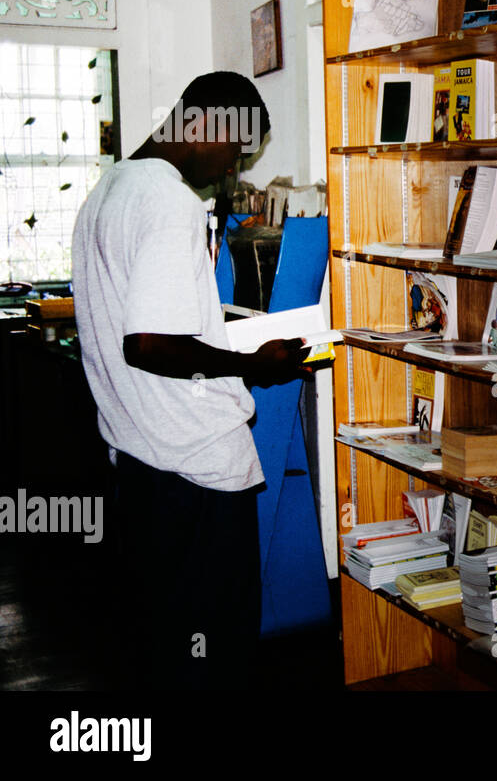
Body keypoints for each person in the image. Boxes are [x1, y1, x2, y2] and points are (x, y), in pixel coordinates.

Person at [71, 71, 315, 690]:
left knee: (169, 646)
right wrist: (253, 364)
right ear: (206, 126)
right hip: (194, 469)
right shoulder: (168, 202)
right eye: (236, 150)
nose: (233, 167)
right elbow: (150, 344)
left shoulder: (108, 191)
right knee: (214, 651)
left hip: (141, 463)